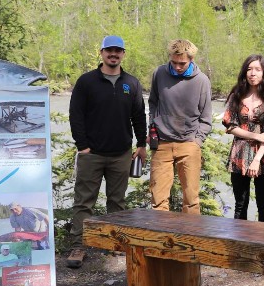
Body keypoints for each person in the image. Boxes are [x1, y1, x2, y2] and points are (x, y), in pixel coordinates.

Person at [66, 34, 147, 268]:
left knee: (117, 202)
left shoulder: (131, 83)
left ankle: (115, 245)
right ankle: (78, 246)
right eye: (109, 50)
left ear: (123, 54)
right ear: (101, 53)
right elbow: (76, 115)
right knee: (84, 202)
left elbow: (138, 115)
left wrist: (140, 144)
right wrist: (82, 146)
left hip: (121, 153)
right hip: (91, 154)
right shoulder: (86, 82)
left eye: (118, 51)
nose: (113, 54)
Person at [148, 39, 212, 214]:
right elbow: (153, 102)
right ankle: (160, 240)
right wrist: (153, 127)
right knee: (158, 201)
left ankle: (190, 240)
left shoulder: (202, 81)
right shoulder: (159, 74)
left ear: (191, 59)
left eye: (182, 63)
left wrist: (196, 142)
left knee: (191, 201)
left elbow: (206, 117)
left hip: (189, 144)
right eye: (174, 62)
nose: (177, 67)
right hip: (162, 143)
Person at [223, 54, 264, 222]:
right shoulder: (237, 94)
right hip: (239, 152)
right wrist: (255, 135)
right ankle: (239, 242)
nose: (252, 73)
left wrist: (257, 159)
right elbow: (230, 126)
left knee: (263, 200)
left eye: (257, 70)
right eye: (249, 69)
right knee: (241, 202)